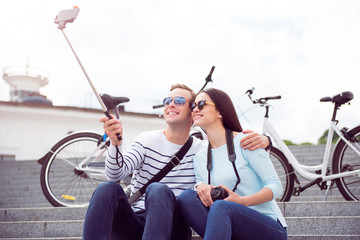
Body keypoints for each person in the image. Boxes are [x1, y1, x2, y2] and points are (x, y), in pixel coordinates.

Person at [83, 84, 271, 240]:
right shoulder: (146, 139)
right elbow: (115, 174)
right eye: (168, 101)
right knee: (106, 189)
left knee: (157, 189)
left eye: (179, 101)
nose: (171, 104)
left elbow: (233, 150)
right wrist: (116, 144)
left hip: (173, 226)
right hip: (135, 222)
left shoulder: (203, 149)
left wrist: (266, 142)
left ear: (193, 112)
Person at [177, 88, 287, 240]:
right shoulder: (200, 157)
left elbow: (276, 186)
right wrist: (200, 186)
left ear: (220, 112)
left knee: (222, 206)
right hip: (229, 226)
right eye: (193, 106)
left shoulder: (247, 142)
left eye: (201, 104)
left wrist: (242, 202)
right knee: (186, 198)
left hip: (268, 227)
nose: (195, 109)